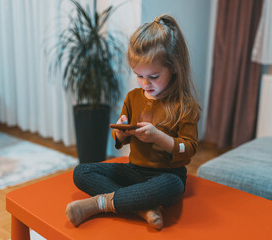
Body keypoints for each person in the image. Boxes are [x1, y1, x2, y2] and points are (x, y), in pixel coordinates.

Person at [65, 14, 201, 230]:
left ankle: (100, 204)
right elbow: (119, 140)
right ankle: (142, 207)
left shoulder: (184, 106)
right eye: (139, 75)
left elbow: (189, 149)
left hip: (166, 175)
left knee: (173, 186)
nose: (145, 84)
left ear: (174, 67)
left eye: (154, 77)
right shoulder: (133, 98)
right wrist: (121, 132)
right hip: (134, 171)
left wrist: (158, 137)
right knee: (82, 172)